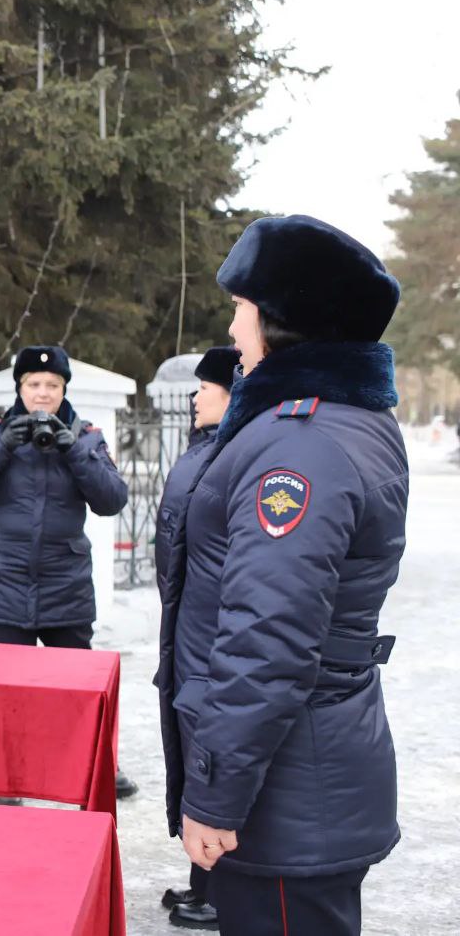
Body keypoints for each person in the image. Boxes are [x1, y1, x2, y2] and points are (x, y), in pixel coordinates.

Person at [158, 215, 407, 936]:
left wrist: (216, 795)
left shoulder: (298, 445)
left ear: (282, 321)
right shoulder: (336, 419)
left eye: (242, 309)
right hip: (301, 777)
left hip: (287, 792)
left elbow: (268, 640)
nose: (234, 330)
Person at [0, 345, 137, 800]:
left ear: (64, 389)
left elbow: (112, 500)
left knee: (77, 685)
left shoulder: (86, 435)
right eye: (34, 385)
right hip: (5, 579)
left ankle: (95, 765)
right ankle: (5, 777)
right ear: (20, 388)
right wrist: (3, 447)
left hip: (63, 582)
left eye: (52, 386)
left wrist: (75, 453)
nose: (43, 394)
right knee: (8, 689)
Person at [154, 345, 239, 931]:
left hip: (212, 632)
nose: (194, 395)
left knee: (216, 749)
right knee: (193, 749)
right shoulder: (205, 449)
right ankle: (202, 882)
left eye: (206, 386)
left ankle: (221, 891)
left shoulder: (235, 455)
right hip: (188, 626)